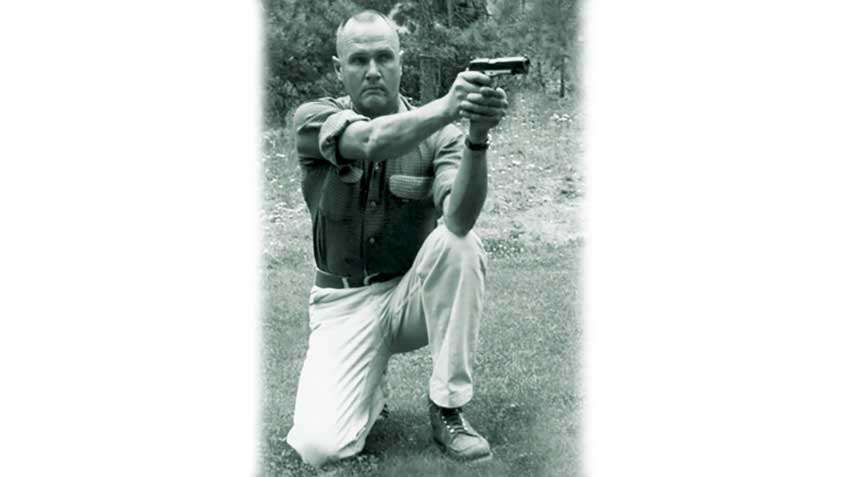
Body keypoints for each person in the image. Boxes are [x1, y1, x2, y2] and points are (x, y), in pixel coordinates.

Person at [285, 9, 509, 468]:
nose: (372, 70)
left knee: (459, 243)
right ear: (337, 68)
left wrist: (477, 136)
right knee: (318, 448)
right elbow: (368, 142)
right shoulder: (313, 119)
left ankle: (448, 407)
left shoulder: (443, 135)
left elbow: (461, 218)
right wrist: (450, 105)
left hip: (410, 298)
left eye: (384, 57)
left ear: (401, 62)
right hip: (342, 304)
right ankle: (367, 391)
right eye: (358, 60)